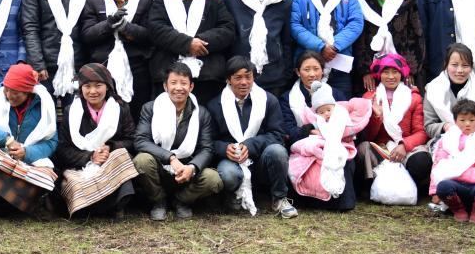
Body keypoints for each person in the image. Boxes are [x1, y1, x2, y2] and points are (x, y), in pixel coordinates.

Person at [0, 64, 59, 227]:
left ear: (28, 91)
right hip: (1, 157)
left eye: (15, 92)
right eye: (7, 90)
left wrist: (27, 152)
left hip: (28, 162)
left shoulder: (43, 104)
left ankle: (14, 203)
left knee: (47, 176)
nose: (9, 95)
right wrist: (6, 140)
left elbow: (52, 142)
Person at [206, 57, 296, 218]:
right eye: (238, 78)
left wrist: (251, 145)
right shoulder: (215, 105)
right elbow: (208, 141)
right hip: (232, 159)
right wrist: (225, 149)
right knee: (228, 174)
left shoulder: (268, 100)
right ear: (228, 79)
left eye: (248, 77)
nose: (244, 82)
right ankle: (234, 196)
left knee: (277, 151)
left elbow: (278, 134)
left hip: (260, 158)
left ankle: (279, 198)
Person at [132, 63, 223, 220]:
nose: (178, 88)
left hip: (187, 170)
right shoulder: (151, 108)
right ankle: (159, 202)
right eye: (173, 83)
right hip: (159, 167)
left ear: (191, 86)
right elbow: (140, 140)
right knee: (142, 160)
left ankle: (181, 201)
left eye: (184, 83)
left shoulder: (201, 113)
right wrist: (170, 158)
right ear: (165, 86)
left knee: (213, 179)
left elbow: (207, 149)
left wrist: (192, 167)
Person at [147, 0, 236, 102]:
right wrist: (188, 44)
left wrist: (200, 42)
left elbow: (227, 29)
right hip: (169, 72)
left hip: (208, 75)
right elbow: (156, 29)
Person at [55, 64, 139, 218]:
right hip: (81, 166)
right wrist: (90, 157)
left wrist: (110, 147)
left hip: (110, 161)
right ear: (81, 88)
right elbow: (63, 148)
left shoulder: (120, 108)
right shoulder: (71, 111)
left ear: (108, 86)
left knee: (121, 156)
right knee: (72, 181)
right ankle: (89, 209)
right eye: (87, 86)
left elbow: (132, 140)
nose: (93, 91)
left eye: (98, 85)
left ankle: (117, 207)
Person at [78, 0, 154, 120]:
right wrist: (109, 24)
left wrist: (126, 28)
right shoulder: (94, 0)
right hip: (102, 66)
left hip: (136, 66)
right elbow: (87, 35)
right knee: (106, 113)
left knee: (135, 111)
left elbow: (151, 36)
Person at [289, 0, 364, 98]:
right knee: (307, 106)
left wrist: (335, 46)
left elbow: (356, 22)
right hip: (308, 64)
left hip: (339, 62)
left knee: (341, 104)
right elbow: (294, 24)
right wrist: (320, 46)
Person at [355, 54, 431, 202]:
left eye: (395, 72)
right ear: (379, 75)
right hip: (381, 148)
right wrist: (376, 116)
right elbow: (367, 136)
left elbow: (421, 132)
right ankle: (371, 188)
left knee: (421, 161)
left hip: (405, 146)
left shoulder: (413, 97)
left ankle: (413, 187)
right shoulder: (369, 97)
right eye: (386, 72)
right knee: (363, 150)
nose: (391, 76)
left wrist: (404, 145)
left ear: (402, 74)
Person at [287, 81, 370, 212]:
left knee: (341, 161)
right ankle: (311, 200)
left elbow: (352, 128)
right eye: (321, 112)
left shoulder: (342, 116)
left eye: (328, 110)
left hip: (339, 146)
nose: (326, 113)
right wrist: (312, 133)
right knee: (305, 161)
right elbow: (302, 133)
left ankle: (341, 202)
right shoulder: (315, 120)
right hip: (317, 148)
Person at [20, 0, 88, 97]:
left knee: (74, 108)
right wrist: (37, 63)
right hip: (46, 63)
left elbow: (86, 28)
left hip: (76, 62)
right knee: (46, 108)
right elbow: (30, 28)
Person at [351, 0, 424, 97]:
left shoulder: (407, 1)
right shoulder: (362, 1)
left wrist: (409, 70)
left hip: (401, 68)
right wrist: (365, 71)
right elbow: (359, 38)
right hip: (372, 68)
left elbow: (416, 36)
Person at [221, 0, 292, 97]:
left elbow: (286, 41)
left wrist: (286, 74)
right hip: (239, 73)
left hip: (273, 75)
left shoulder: (284, 1)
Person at [423, 44, 475, 148]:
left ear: (471, 67)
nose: (460, 70)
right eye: (454, 65)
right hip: (444, 143)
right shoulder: (433, 89)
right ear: (446, 65)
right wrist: (446, 127)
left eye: (465, 65)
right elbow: (429, 125)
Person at [279, 50, 346, 144]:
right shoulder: (287, 99)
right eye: (307, 70)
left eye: (316, 69)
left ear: (322, 71)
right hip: (302, 146)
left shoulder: (336, 94)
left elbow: (347, 120)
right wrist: (310, 132)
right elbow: (288, 129)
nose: (312, 74)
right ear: (298, 72)